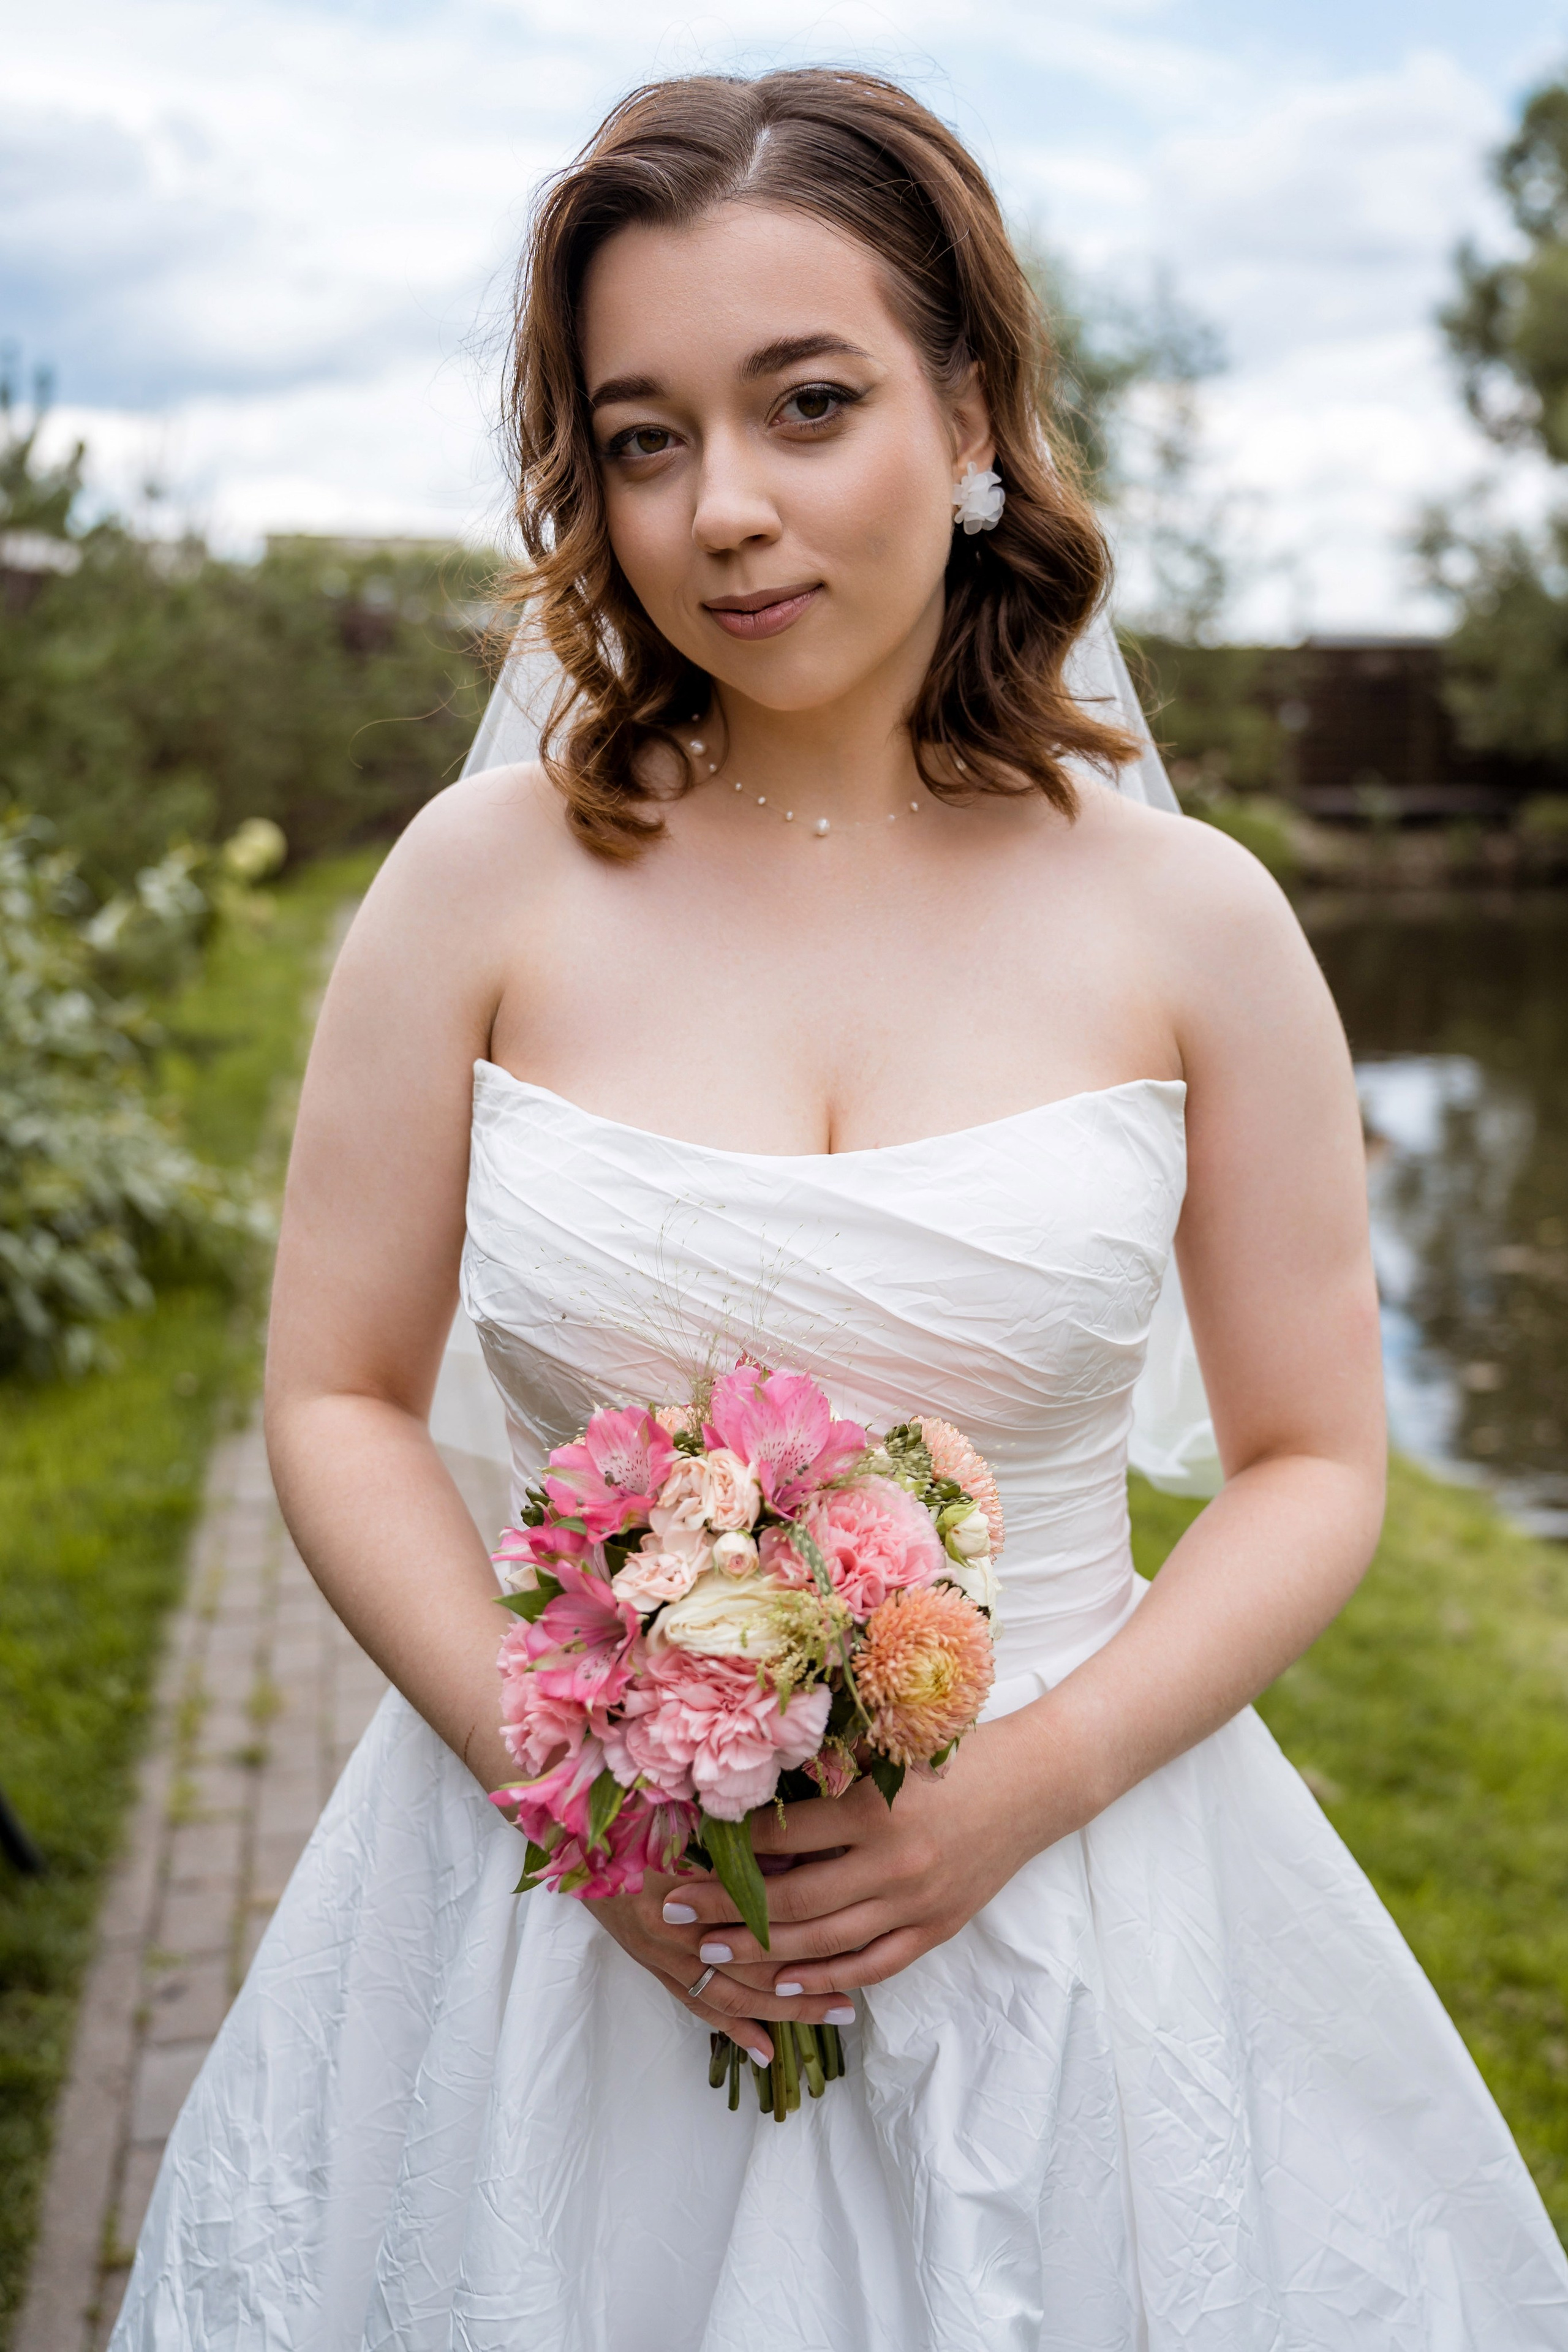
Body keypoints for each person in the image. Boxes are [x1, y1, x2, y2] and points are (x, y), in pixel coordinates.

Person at [112, 67, 1568, 2351]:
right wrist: (574, 1794)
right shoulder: (474, 887)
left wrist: (1020, 1793)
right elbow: (332, 1399)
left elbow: (1313, 1465)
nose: (729, 513)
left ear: (970, 405)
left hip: (1088, 1890)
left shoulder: (1196, 923)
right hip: (557, 1912)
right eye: (644, 436)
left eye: (809, 404)